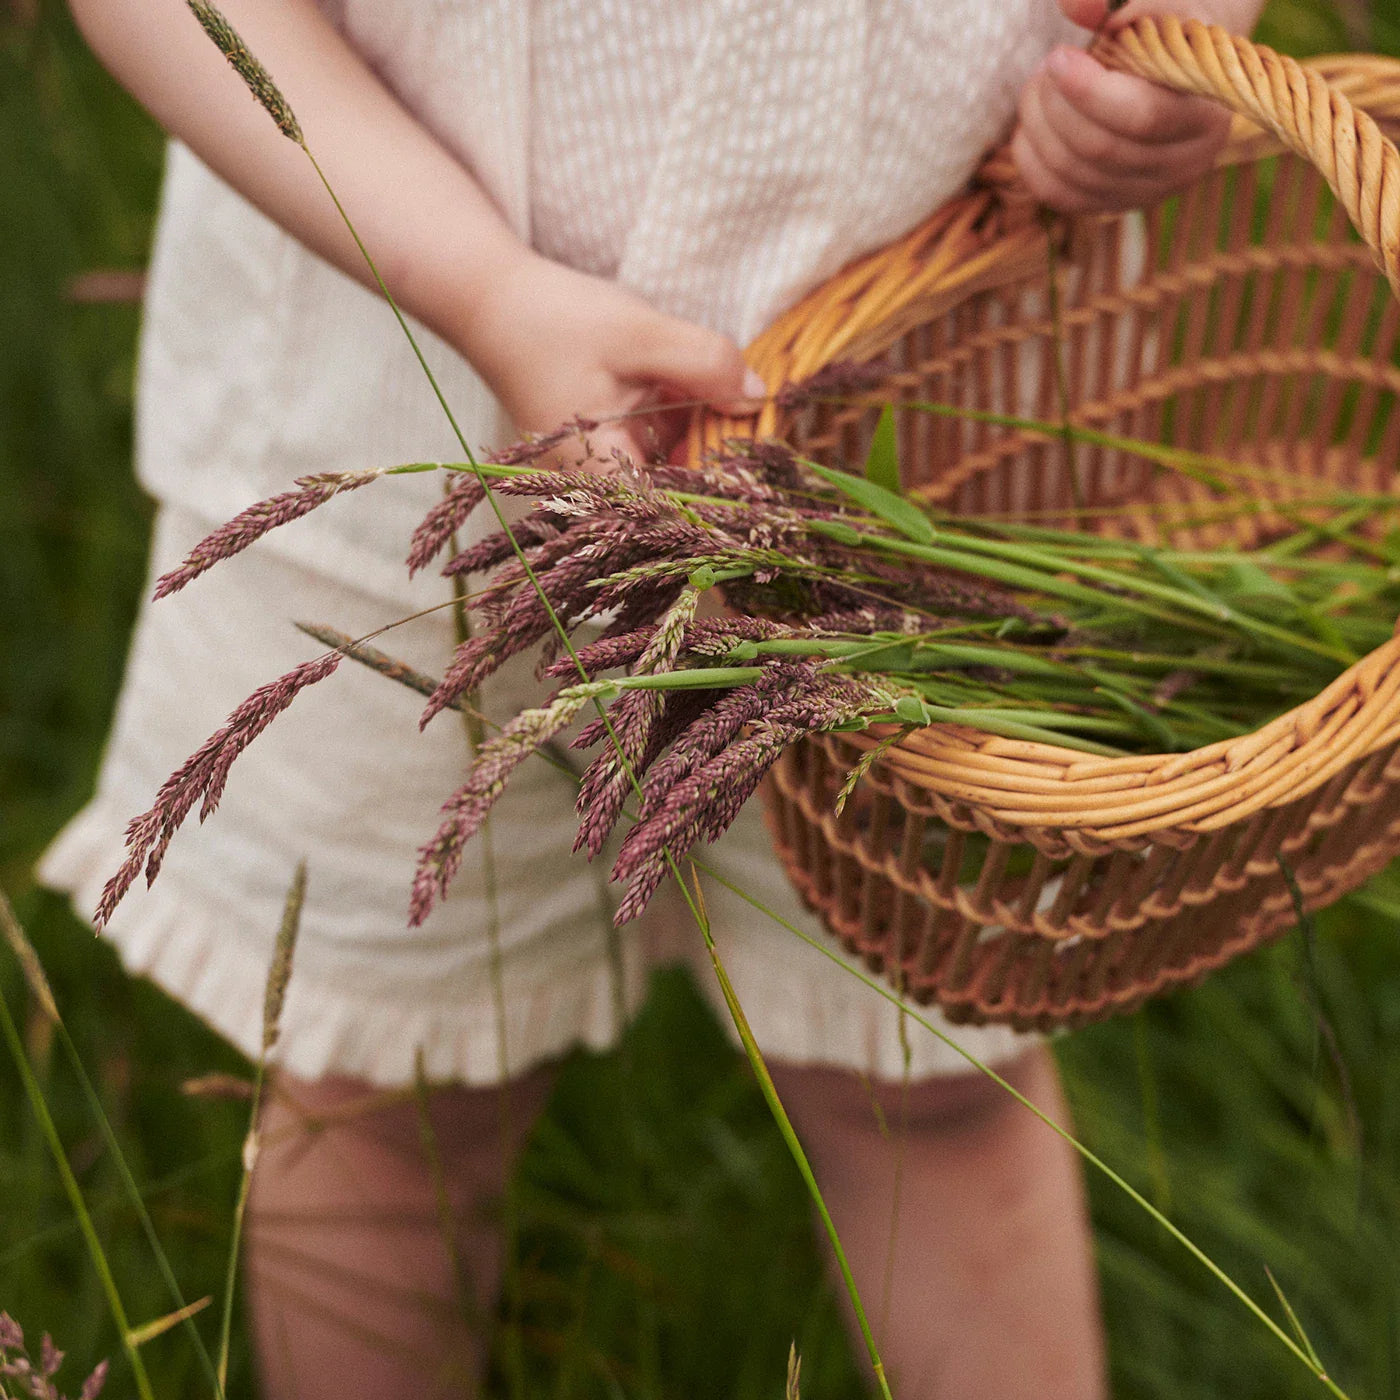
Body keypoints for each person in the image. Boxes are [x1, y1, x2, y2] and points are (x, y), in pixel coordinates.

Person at [44, 0, 1261, 1395]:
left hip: (920, 427)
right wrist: (484, 290)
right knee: (392, 1100)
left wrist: (1176, 54)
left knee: (932, 1078)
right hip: (396, 403)